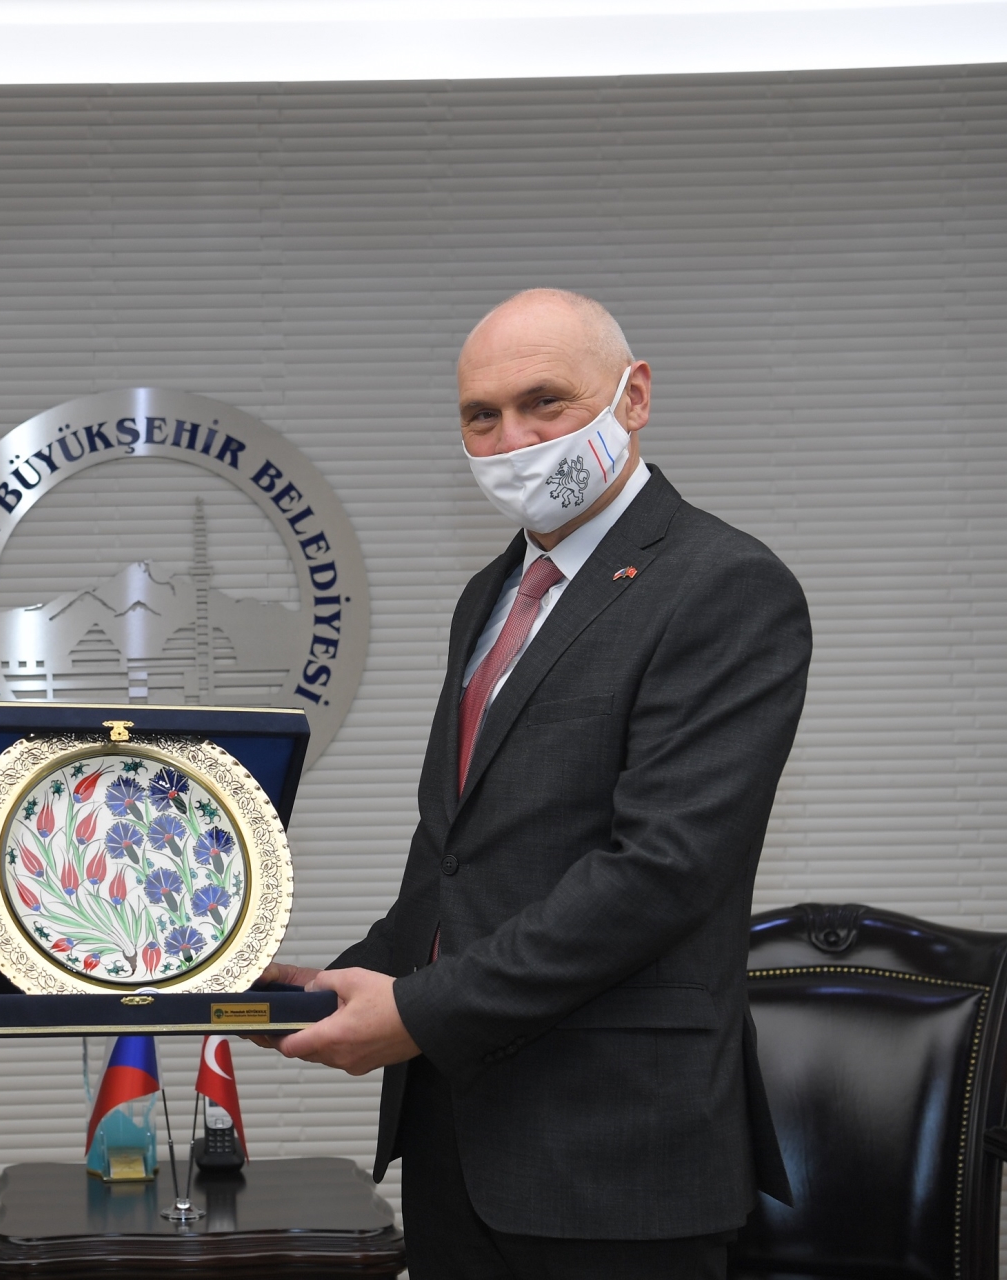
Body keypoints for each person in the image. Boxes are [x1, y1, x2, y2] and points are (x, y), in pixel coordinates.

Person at [258, 289, 808, 1279]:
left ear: (634, 396)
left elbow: (661, 872)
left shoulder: (723, 584)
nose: (512, 439)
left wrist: (416, 1011)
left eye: (545, 401)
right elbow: (459, 862)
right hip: (454, 1144)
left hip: (616, 1155)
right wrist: (312, 990)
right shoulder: (491, 594)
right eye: (482, 415)